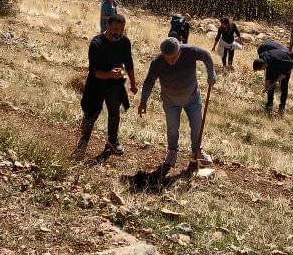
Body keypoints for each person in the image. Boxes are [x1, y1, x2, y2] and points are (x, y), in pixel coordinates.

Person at [138, 37, 215, 169]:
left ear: (180, 50)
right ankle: (172, 152)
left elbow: (206, 56)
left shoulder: (190, 51)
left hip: (192, 98)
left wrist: (211, 73)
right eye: (167, 58)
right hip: (170, 101)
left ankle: (197, 150)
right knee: (172, 129)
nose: (170, 61)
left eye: (173, 57)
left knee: (197, 126)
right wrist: (143, 101)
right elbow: (149, 81)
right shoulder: (158, 62)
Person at [76, 14, 137, 157]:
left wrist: (133, 83)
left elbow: (129, 63)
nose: (118, 32)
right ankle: (83, 142)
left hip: (115, 84)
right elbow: (94, 71)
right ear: (108, 26)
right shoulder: (97, 43)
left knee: (114, 113)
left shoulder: (125, 42)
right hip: (96, 84)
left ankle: (112, 141)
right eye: (115, 29)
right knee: (91, 114)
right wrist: (110, 74)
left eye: (121, 30)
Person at [253, 39, 293, 115]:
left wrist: (283, 75)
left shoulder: (276, 59)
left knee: (283, 87)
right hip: (275, 62)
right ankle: (269, 105)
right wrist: (266, 86)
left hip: (287, 62)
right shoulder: (264, 57)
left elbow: (290, 64)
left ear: (263, 65)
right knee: (271, 85)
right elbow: (267, 75)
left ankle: (282, 108)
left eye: (260, 69)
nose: (262, 70)